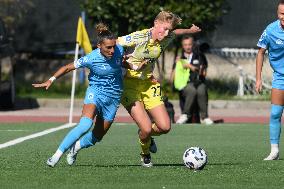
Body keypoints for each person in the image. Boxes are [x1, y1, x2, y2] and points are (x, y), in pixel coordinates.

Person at [67, 11, 201, 167]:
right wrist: (120, 59)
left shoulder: (168, 36)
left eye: (168, 30)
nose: (165, 34)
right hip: (129, 85)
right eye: (163, 29)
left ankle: (147, 136)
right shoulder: (140, 37)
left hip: (148, 84)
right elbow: (114, 43)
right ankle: (145, 153)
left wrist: (189, 30)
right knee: (145, 128)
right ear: (155, 23)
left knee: (165, 127)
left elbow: (176, 32)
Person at [32, 23, 125, 167]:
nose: (112, 50)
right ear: (99, 46)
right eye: (108, 47)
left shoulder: (119, 49)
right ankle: (56, 156)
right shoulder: (91, 58)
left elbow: (124, 61)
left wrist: (138, 66)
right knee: (85, 125)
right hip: (96, 92)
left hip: (113, 97)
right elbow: (68, 67)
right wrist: (50, 80)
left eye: (114, 46)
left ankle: (76, 148)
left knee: (97, 136)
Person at [256, 0, 284, 160]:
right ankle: (274, 150)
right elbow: (260, 53)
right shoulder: (271, 30)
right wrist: (258, 78)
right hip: (280, 77)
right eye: (282, 13)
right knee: (275, 113)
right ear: (277, 13)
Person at [172, 35, 213, 125]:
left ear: (193, 44)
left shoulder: (199, 56)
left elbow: (204, 73)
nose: (188, 47)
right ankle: (185, 114)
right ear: (183, 46)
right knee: (191, 90)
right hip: (185, 84)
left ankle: (204, 117)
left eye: (189, 44)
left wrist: (194, 67)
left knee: (202, 89)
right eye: (185, 45)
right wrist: (176, 65)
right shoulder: (179, 58)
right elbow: (172, 76)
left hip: (198, 82)